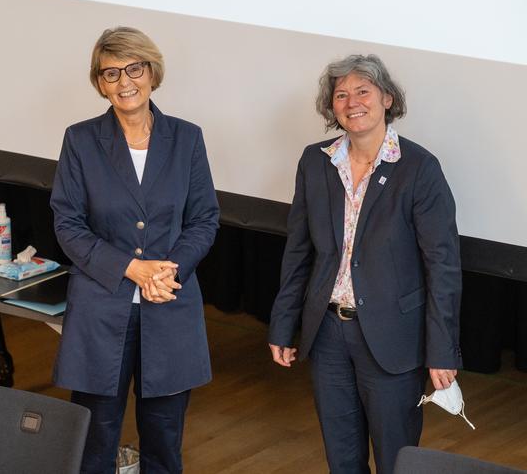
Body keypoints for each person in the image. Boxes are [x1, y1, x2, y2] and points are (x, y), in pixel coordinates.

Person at [268, 54, 462, 474]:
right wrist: (283, 325)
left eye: (363, 91)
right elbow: (299, 251)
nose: (352, 102)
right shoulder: (315, 161)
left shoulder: (419, 168)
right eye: (341, 94)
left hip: (393, 339)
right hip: (328, 337)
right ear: (331, 107)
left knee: (397, 460)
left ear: (387, 99)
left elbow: (443, 266)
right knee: (342, 459)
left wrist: (442, 349)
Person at [50, 26, 220, 473]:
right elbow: (67, 224)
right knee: (93, 441)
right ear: (99, 83)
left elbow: (204, 219)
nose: (124, 82)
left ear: (152, 72)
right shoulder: (81, 140)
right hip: (100, 310)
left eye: (134, 69)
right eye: (111, 73)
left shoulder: (187, 139)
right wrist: (132, 269)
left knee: (164, 443)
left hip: (169, 305)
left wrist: (167, 272)